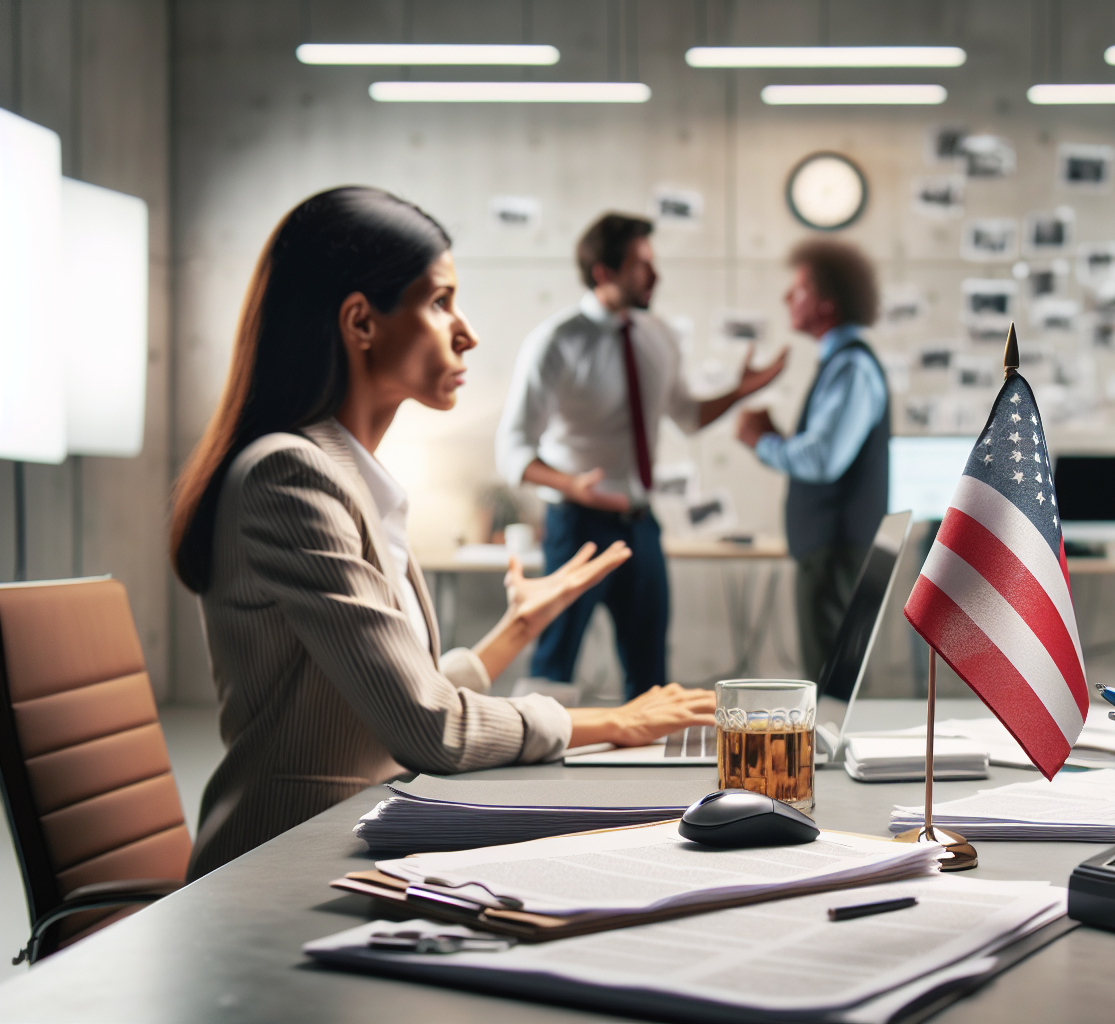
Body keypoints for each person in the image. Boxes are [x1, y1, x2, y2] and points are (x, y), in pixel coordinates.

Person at [170, 189, 715, 877]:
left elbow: (384, 699)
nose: (466, 332)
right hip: (281, 863)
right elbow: (428, 729)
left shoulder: (344, 477)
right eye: (439, 302)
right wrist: (613, 722)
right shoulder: (290, 478)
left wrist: (509, 636)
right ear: (361, 323)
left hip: (354, 839)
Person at [497, 214, 786, 697]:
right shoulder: (555, 342)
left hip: (640, 527)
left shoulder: (659, 335)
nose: (654, 276)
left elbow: (688, 416)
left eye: (652, 263)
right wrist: (570, 484)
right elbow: (511, 450)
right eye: (639, 265)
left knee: (650, 673)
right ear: (603, 273)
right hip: (577, 525)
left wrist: (739, 391)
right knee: (553, 668)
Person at [736, 240, 890, 685]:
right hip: (835, 546)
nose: (787, 297)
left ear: (828, 302)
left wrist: (761, 441)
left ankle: (830, 758)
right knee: (832, 673)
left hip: (836, 548)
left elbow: (823, 460)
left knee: (831, 677)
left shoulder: (850, 367)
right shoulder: (842, 363)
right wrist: (778, 438)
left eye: (799, 289)